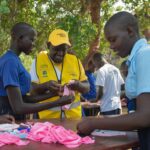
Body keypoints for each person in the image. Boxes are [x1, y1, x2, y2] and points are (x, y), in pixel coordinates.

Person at [77, 11, 150, 150]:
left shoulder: (145, 55)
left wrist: (93, 123)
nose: (111, 46)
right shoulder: (135, 59)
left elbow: (145, 116)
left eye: (113, 39)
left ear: (129, 31)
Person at [0, 22, 74, 121]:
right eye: (32, 40)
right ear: (19, 38)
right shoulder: (10, 62)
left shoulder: (14, 60)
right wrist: (58, 102)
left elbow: (24, 99)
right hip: (9, 118)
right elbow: (18, 107)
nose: (34, 44)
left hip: (13, 116)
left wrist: (55, 94)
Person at [30, 29, 89, 119]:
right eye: (56, 49)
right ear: (48, 45)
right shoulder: (38, 61)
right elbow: (32, 91)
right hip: (47, 121)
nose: (60, 53)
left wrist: (78, 85)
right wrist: (46, 86)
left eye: (64, 49)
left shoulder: (75, 60)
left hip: (73, 119)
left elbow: (87, 88)